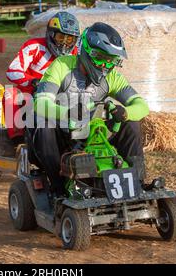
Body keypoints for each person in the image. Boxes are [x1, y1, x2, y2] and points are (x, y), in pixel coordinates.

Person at [32, 22, 150, 197]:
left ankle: (136, 183)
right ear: (87, 52)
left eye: (111, 61)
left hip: (92, 131)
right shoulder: (62, 66)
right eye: (102, 58)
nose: (106, 66)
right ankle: (59, 188)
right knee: (44, 125)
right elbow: (40, 103)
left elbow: (142, 106)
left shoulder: (113, 77)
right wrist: (67, 113)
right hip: (62, 133)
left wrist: (125, 113)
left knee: (131, 124)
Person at [4, 11, 80, 140]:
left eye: (69, 39)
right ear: (51, 35)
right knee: (10, 93)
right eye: (61, 37)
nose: (64, 43)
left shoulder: (75, 54)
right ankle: (17, 137)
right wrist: (33, 81)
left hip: (60, 93)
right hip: (30, 92)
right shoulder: (34, 46)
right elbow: (12, 70)